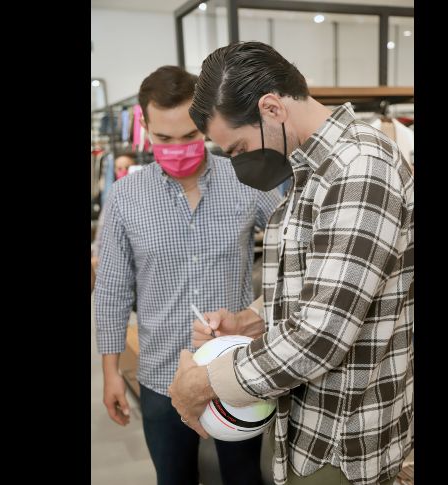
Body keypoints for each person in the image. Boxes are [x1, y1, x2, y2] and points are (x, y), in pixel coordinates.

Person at [167, 42, 414, 485]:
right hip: (311, 429)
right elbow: (320, 286)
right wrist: (250, 320)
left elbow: (321, 335)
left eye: (239, 148)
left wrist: (203, 384)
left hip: (342, 443)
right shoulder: (312, 171)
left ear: (272, 108)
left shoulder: (359, 168)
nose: (239, 163)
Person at [94, 65, 281, 485]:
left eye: (190, 135)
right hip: (161, 373)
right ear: (145, 128)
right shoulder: (125, 197)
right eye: (164, 138)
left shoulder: (245, 178)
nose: (178, 148)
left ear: (205, 124)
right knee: (174, 476)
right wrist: (110, 373)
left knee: (244, 476)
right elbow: (111, 290)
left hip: (234, 368)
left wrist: (262, 312)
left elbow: (296, 243)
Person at [92, 153, 136, 273]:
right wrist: (96, 253)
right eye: (119, 168)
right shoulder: (113, 194)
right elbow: (102, 224)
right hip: (118, 256)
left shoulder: (146, 192)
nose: (124, 171)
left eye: (127, 167)